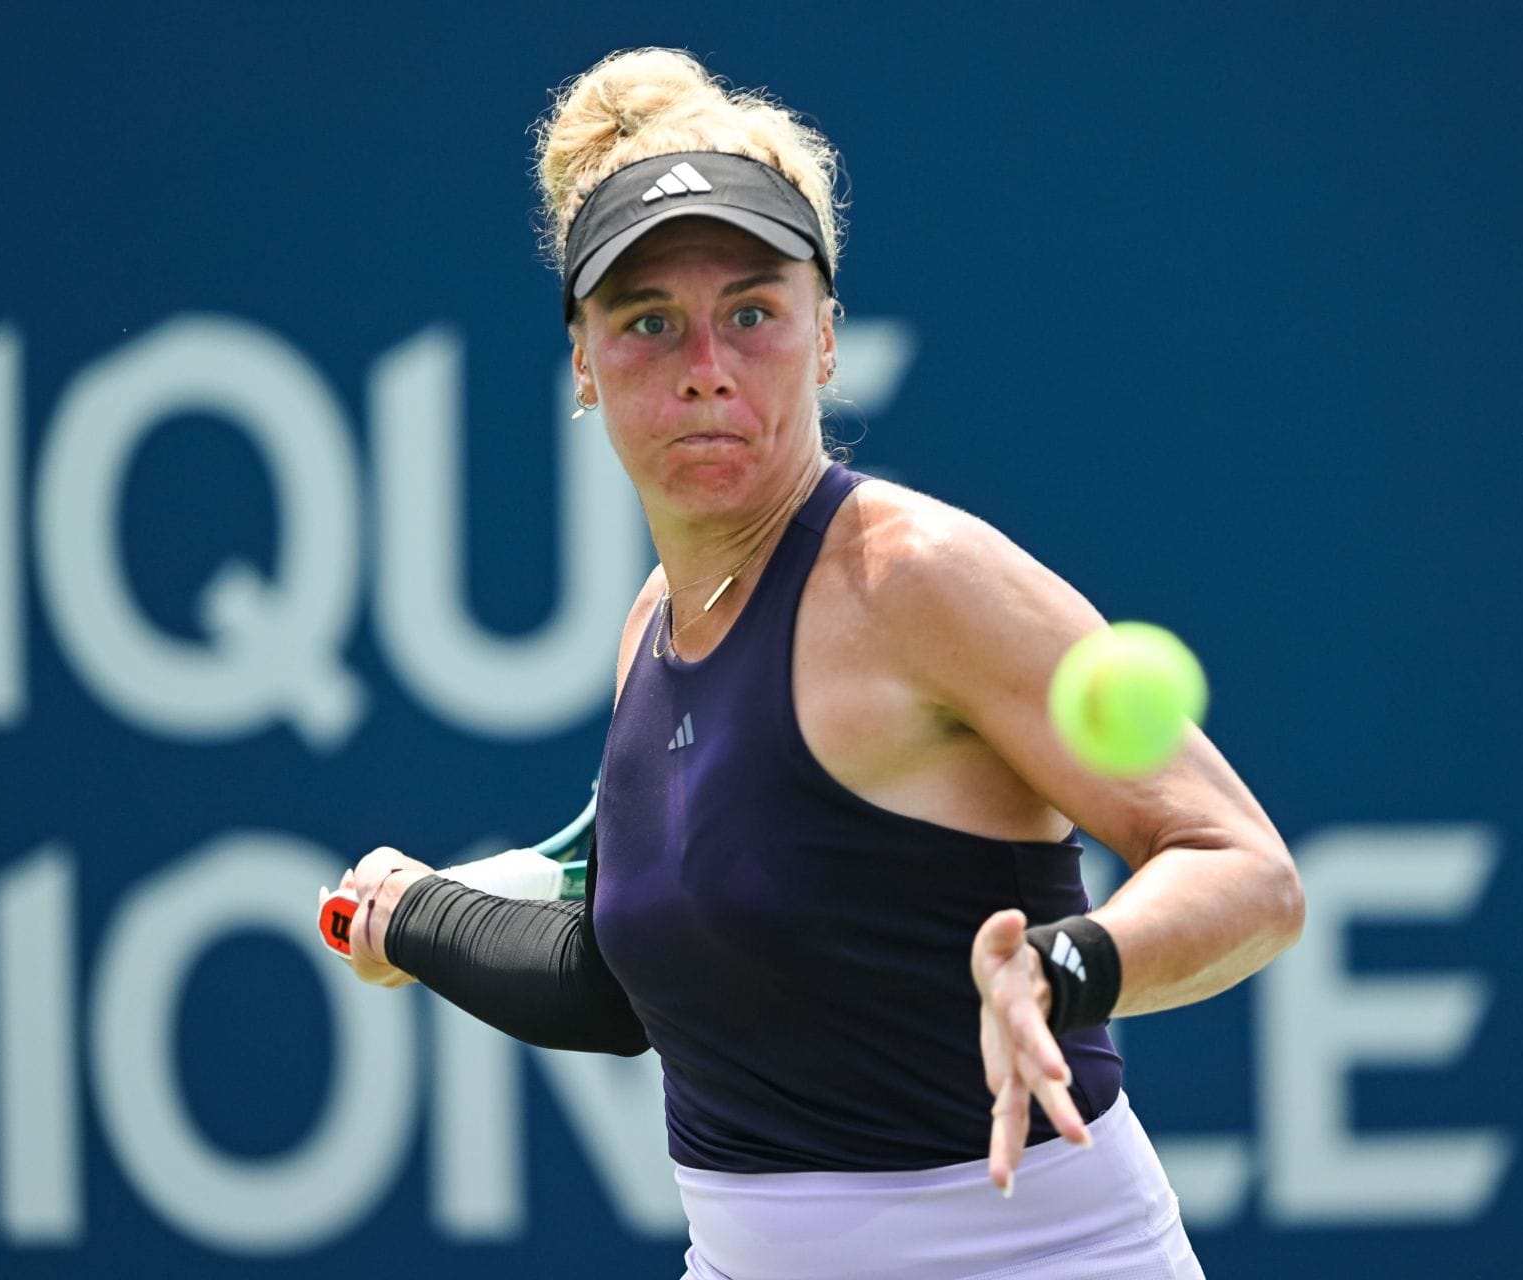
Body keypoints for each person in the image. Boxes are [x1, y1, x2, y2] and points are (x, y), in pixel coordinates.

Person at [338, 47, 1303, 1279]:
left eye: (752, 312)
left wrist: (1064, 969)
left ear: (825, 337)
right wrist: (415, 913)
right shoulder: (654, 623)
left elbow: (1250, 871)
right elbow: (623, 986)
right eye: (648, 323)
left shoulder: (920, 579)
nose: (706, 365)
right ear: (583, 362)